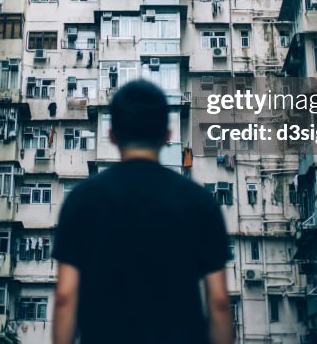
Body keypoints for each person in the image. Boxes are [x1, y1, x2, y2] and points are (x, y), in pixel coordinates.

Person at [51, 80, 233, 344]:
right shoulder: (200, 202)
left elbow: (65, 296)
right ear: (166, 135)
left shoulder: (81, 201)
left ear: (112, 135)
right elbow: (218, 302)